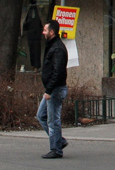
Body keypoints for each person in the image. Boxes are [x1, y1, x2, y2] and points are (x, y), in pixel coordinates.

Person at [37, 20, 68, 159]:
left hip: (55, 89)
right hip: (52, 88)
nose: (43, 32)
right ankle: (59, 141)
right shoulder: (52, 46)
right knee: (41, 115)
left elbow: (58, 72)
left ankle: (56, 149)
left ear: (52, 32)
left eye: (45, 30)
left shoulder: (58, 49)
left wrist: (49, 90)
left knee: (52, 120)